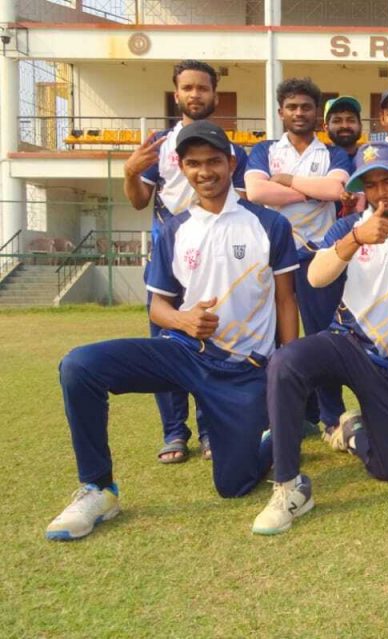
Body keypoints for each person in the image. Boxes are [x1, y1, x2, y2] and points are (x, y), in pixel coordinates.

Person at [46, 121, 299, 540]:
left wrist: (289, 369)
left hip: (244, 369)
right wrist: (184, 320)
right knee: (80, 366)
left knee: (233, 486)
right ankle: (98, 489)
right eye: (194, 163)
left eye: (213, 161)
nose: (205, 172)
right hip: (184, 353)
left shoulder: (269, 224)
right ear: (181, 167)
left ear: (231, 163)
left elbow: (286, 300)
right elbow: (159, 307)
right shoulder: (174, 229)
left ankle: (273, 436)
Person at [253, 142, 388, 535]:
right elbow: (314, 277)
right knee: (286, 362)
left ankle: (353, 431)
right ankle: (288, 486)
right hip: (347, 341)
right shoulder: (348, 227)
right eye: (371, 185)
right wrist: (356, 239)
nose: (381, 192)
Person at [123, 59, 249, 464]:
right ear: (176, 93)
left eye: (202, 88)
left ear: (215, 95)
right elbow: (139, 200)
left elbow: (241, 204)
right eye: (188, 88)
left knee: (212, 342)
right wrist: (130, 173)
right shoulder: (158, 145)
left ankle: (212, 430)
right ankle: (174, 431)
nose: (195, 94)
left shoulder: (231, 149)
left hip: (214, 262)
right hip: (169, 259)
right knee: (166, 346)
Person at [245, 78, 353, 441]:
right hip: (272, 256)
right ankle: (283, 415)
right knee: (275, 337)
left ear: (316, 113)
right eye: (292, 107)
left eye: (306, 107)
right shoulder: (264, 149)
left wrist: (288, 180)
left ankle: (331, 416)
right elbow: (256, 191)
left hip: (316, 255)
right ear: (281, 112)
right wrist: (311, 192)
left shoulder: (334, 154)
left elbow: (335, 189)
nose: (299, 113)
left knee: (322, 336)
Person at [324, 95, 366, 217]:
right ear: (326, 128)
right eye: (337, 121)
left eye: (351, 120)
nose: (345, 126)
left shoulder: (370, 159)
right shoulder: (318, 158)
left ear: (360, 126)